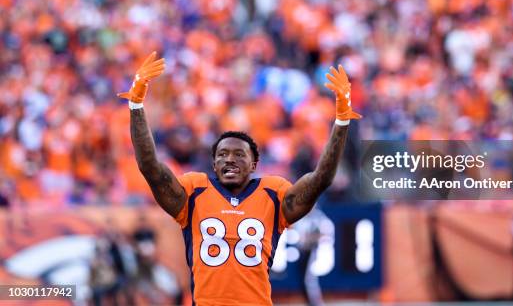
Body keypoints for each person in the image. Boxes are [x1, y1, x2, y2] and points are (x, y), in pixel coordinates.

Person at [117, 52, 361, 305]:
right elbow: (150, 167)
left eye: (238, 154)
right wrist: (136, 105)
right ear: (214, 163)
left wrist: (342, 120)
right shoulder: (195, 190)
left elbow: (321, 178)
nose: (229, 159)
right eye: (222, 154)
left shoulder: (272, 193)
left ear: (254, 164)